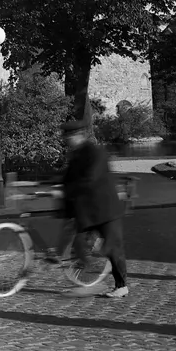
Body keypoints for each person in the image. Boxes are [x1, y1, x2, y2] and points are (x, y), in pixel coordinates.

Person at [53, 115, 130, 298]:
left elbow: (89, 179)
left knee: (114, 248)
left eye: (69, 136)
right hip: (88, 211)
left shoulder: (95, 152)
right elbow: (67, 180)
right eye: (65, 137)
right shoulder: (75, 155)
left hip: (106, 209)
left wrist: (69, 191)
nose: (66, 140)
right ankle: (88, 279)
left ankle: (121, 286)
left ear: (78, 135)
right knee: (79, 244)